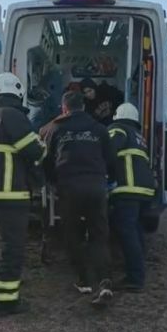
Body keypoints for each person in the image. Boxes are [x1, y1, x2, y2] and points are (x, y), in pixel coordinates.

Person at [0, 72, 46, 317]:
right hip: (8, 195)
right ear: (18, 94)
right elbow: (34, 152)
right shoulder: (12, 115)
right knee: (10, 249)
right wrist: (43, 146)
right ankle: (5, 302)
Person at [43, 91, 115, 308]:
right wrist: (109, 181)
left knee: (72, 232)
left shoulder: (55, 128)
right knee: (99, 233)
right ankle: (104, 282)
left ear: (64, 108)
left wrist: (52, 181)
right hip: (96, 186)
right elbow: (111, 160)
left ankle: (83, 280)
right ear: (84, 107)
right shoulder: (100, 129)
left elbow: (46, 160)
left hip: (69, 187)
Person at [107, 103, 156, 292]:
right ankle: (138, 268)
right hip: (145, 190)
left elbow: (109, 152)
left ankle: (135, 278)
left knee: (126, 231)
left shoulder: (117, 129)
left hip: (129, 188)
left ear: (117, 117)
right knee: (135, 230)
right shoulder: (139, 136)